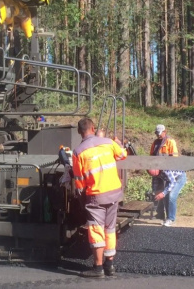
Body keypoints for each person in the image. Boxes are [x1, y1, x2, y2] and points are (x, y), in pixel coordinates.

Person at [72, 118, 127, 278]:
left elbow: (79, 181)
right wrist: (118, 143)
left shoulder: (78, 152)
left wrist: (82, 198)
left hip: (96, 196)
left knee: (96, 230)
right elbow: (122, 155)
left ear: (79, 132)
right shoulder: (109, 143)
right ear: (93, 128)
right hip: (114, 193)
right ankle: (109, 266)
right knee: (110, 229)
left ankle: (98, 268)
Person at [149, 124, 186, 227]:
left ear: (164, 131)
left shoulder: (170, 142)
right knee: (164, 196)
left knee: (171, 197)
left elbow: (172, 181)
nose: (158, 135)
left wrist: (164, 193)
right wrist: (156, 191)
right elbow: (155, 180)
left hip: (177, 177)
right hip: (165, 174)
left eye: (159, 133)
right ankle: (163, 216)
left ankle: (171, 219)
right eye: (156, 133)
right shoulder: (155, 143)